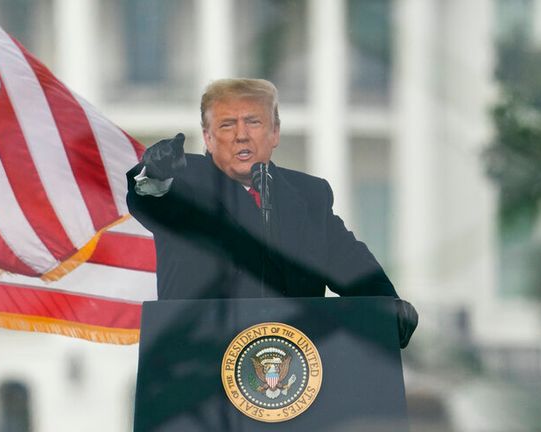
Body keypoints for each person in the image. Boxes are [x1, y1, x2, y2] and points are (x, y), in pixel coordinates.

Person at [126, 78, 417, 348]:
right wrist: (156, 176)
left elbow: (351, 266)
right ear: (208, 137)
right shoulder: (184, 182)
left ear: (274, 132)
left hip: (294, 375)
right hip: (200, 368)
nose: (241, 136)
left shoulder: (309, 194)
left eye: (253, 122)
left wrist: (389, 308)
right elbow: (154, 200)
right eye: (227, 125)